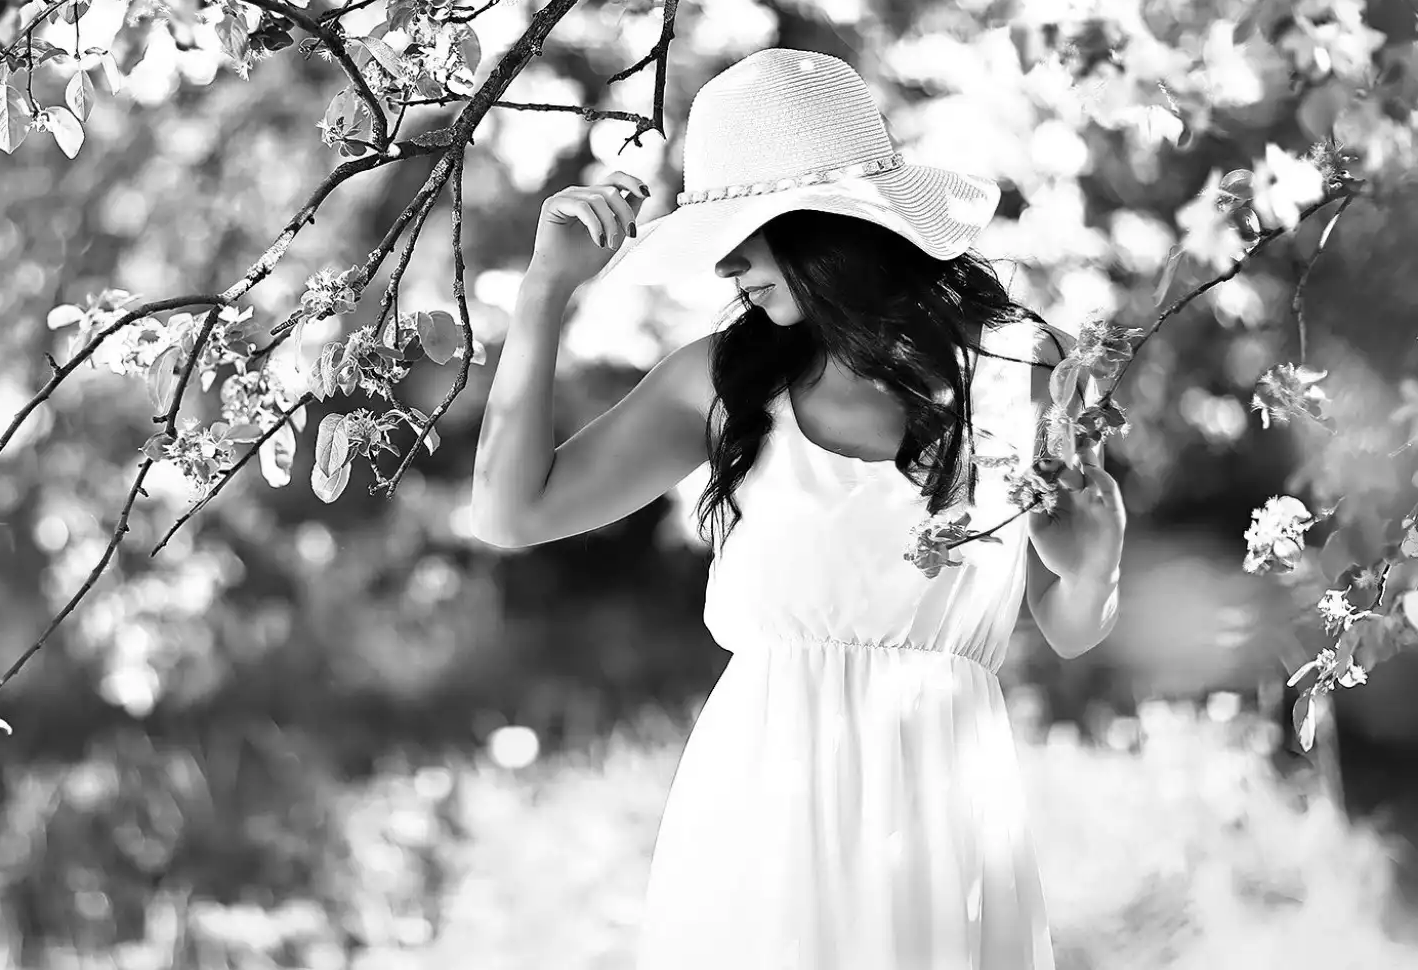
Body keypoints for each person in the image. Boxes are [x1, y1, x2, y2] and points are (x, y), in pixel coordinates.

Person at [468, 48, 1126, 969]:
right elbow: (509, 515)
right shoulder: (725, 380)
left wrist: (1097, 567)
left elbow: (1071, 625)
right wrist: (544, 295)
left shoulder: (1023, 367)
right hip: (760, 809)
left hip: (948, 813)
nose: (728, 262)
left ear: (830, 229)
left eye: (751, 230)